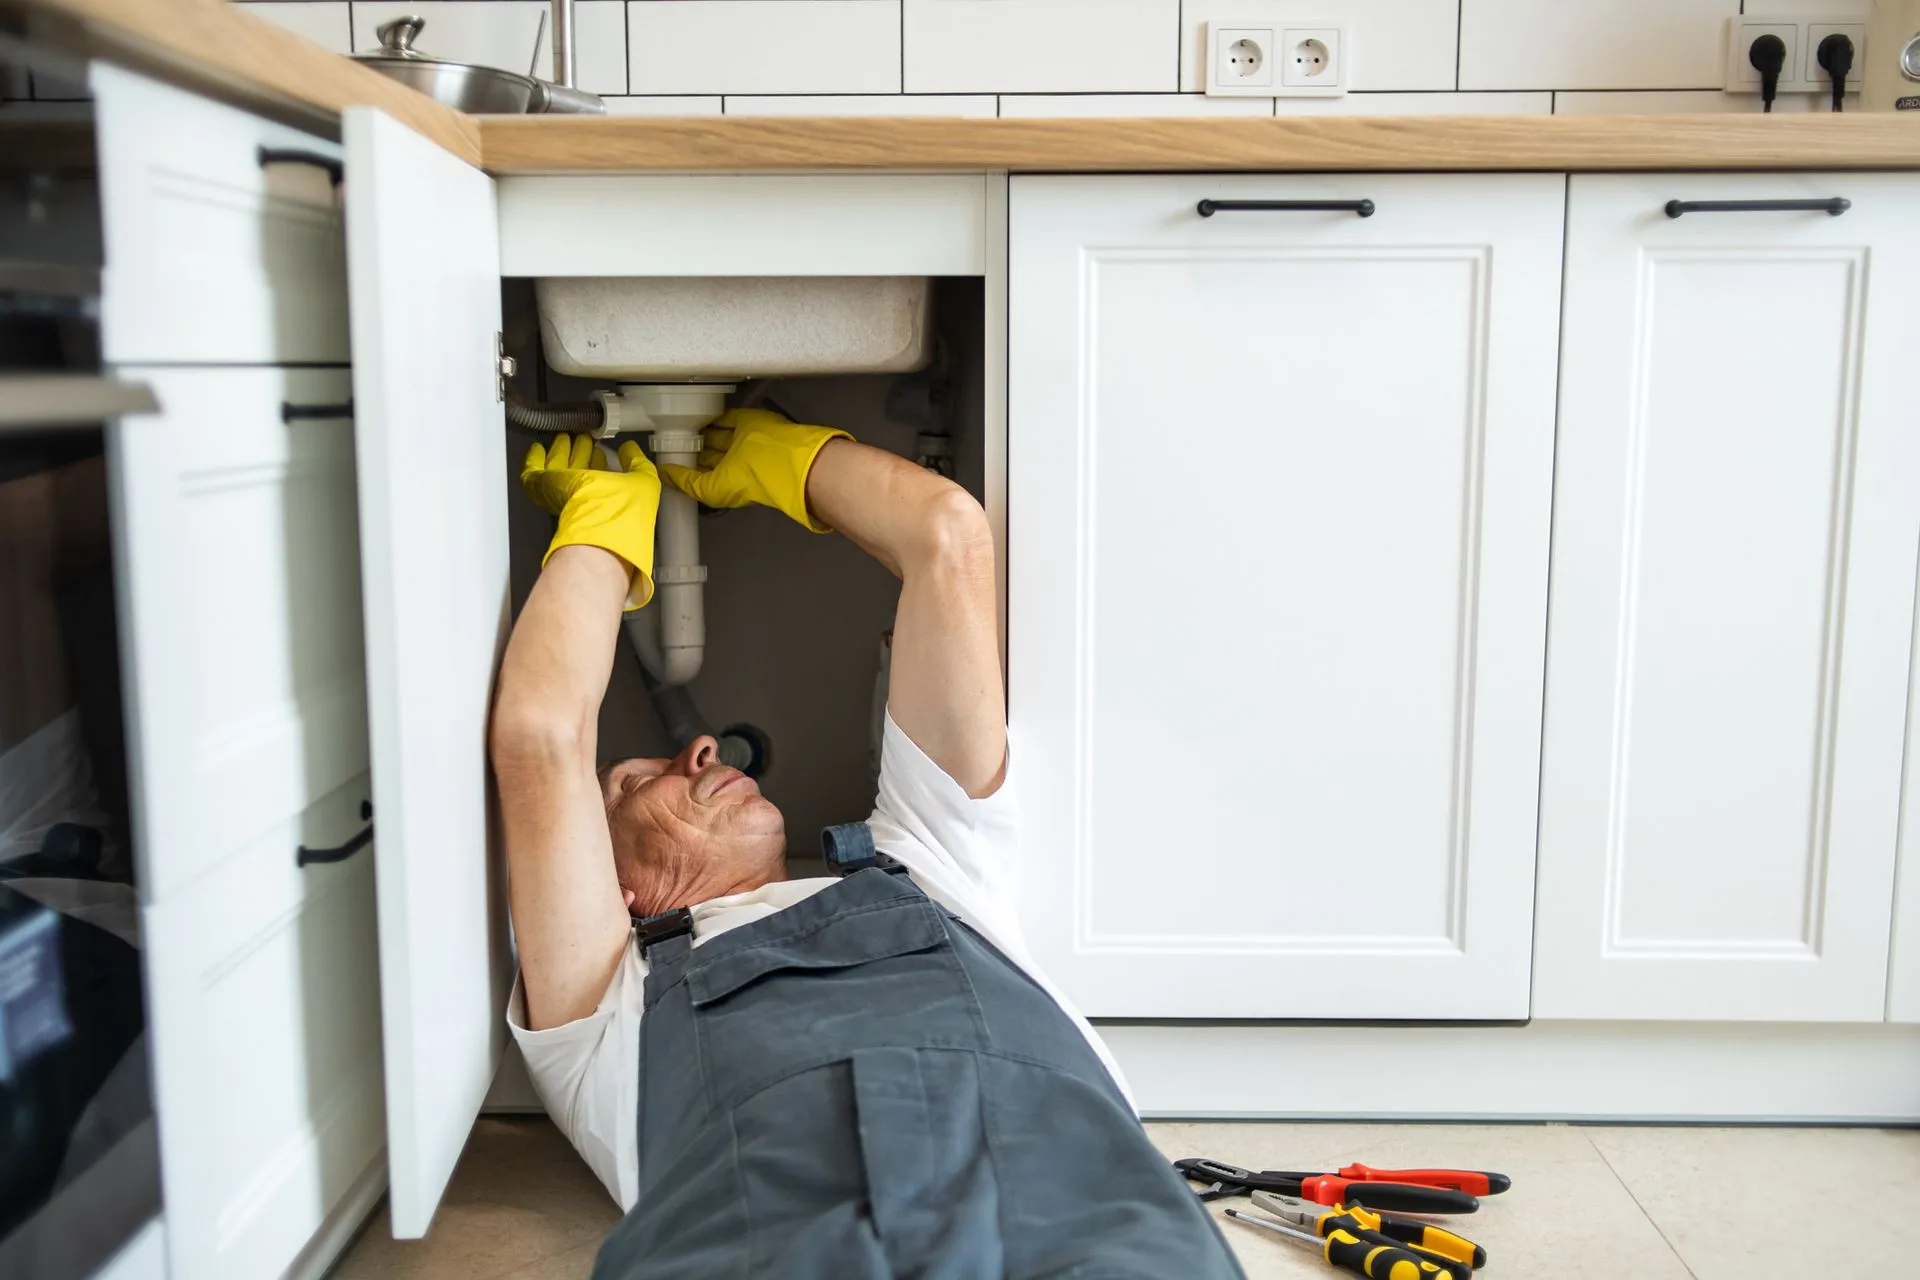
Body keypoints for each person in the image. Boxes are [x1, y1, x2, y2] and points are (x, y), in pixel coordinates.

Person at [491, 409, 1243, 1278]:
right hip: (772, 1236)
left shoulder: (932, 859)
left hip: (1066, 1200)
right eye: (633, 781)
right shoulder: (600, 999)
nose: (698, 749)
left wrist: (775, 457)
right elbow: (541, 737)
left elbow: (946, 536)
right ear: (611, 883)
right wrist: (605, 524)